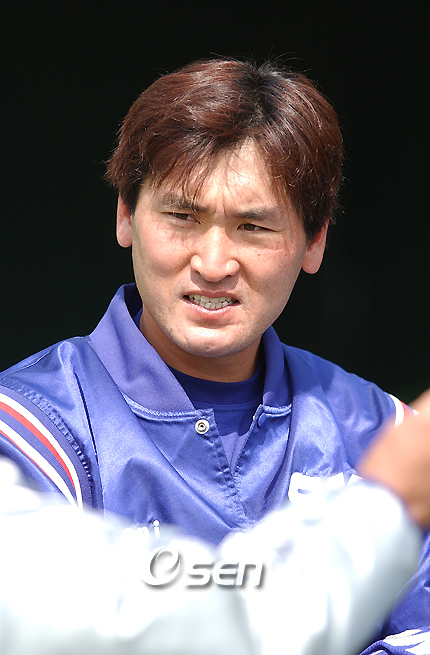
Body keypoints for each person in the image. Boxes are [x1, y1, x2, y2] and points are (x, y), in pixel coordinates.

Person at [0, 57, 428, 654]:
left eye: (253, 227)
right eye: (182, 217)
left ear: (315, 241)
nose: (213, 263)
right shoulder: (29, 432)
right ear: (125, 215)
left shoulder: (380, 429)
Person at [1, 395, 430, 655]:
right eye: (183, 235)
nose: (212, 273)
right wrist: (387, 501)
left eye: (255, 236)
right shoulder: (24, 425)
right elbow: (208, 629)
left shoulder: (382, 421)